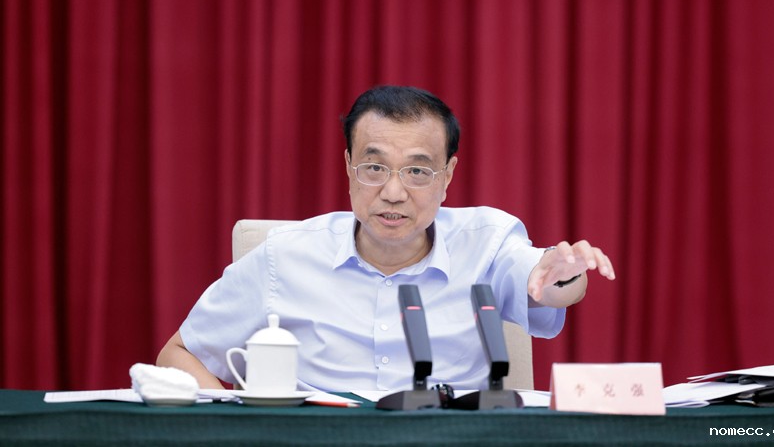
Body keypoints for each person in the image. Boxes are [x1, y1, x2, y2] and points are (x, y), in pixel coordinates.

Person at [157, 85, 615, 391]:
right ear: (348, 167)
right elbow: (179, 353)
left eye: (417, 171)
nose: (393, 192)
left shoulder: (488, 243)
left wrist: (565, 275)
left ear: (447, 176)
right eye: (374, 167)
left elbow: (548, 283)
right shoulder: (285, 256)